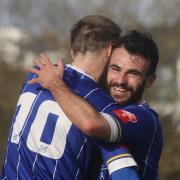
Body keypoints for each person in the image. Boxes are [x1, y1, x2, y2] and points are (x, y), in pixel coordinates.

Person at [2, 15, 139, 180]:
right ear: (110, 51)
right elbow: (124, 175)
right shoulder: (104, 107)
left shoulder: (35, 77)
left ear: (72, 49)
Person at [28, 30, 163, 179]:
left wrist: (55, 84)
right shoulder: (101, 105)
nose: (120, 80)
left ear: (150, 80)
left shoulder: (144, 118)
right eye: (115, 69)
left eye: (133, 74)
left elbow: (91, 124)